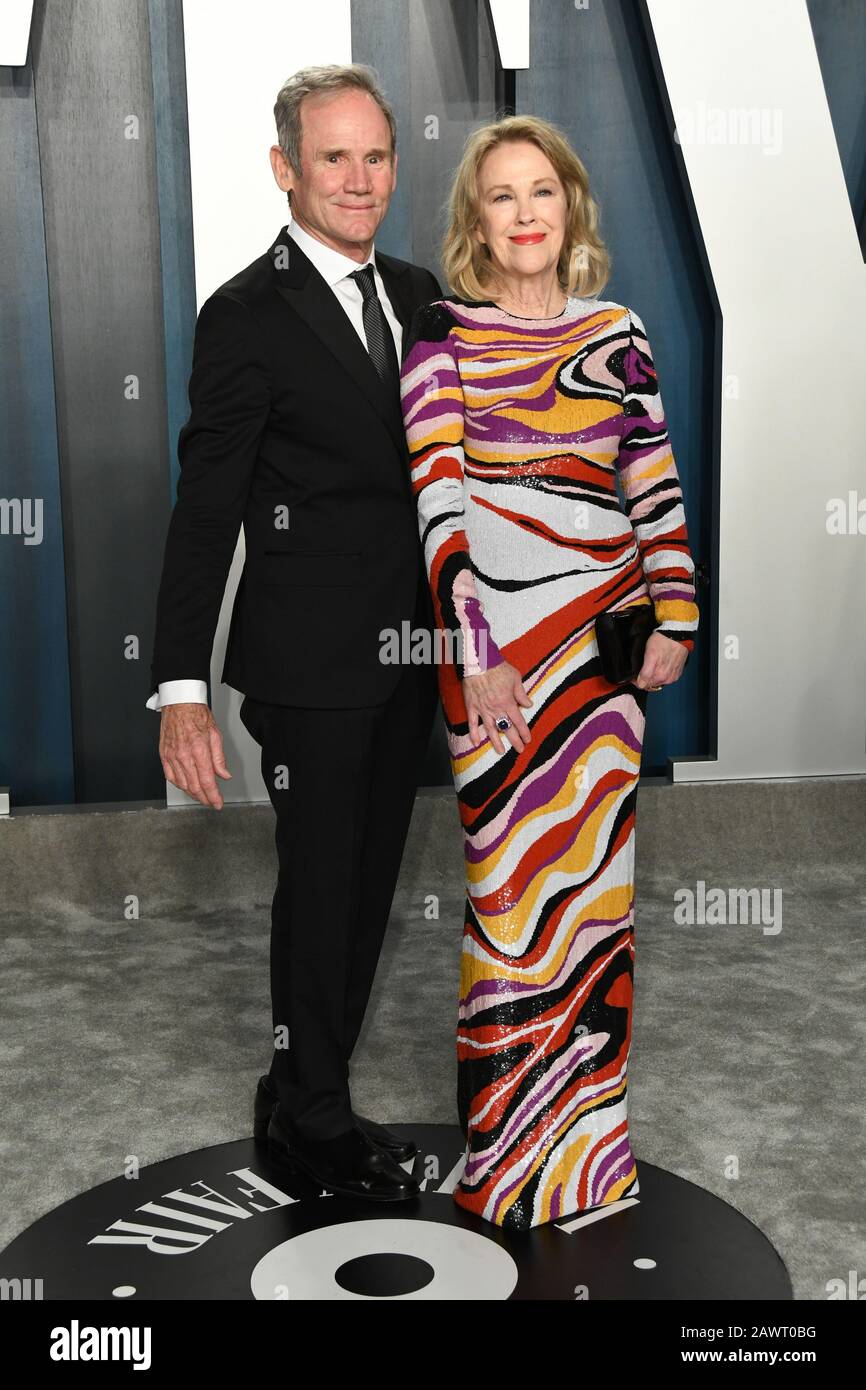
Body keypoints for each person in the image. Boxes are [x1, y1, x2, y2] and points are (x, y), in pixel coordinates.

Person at [400, 114, 699, 1230]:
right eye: (500, 197)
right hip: (494, 670)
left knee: (594, 914)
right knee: (510, 913)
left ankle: (584, 1159)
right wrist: (472, 651)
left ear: (567, 205)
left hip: (601, 672)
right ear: (475, 222)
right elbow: (436, 505)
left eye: (541, 192)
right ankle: (505, 1157)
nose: (524, 214)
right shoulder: (442, 335)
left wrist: (674, 611)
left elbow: (651, 485)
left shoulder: (617, 333)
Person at [148, 65, 440, 1203]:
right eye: (334, 158)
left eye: (375, 156)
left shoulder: (420, 295)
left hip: (415, 661)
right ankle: (311, 1118)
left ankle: (299, 1091)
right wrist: (178, 687)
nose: (359, 179)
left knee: (367, 887)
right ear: (285, 169)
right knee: (319, 891)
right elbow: (204, 509)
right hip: (310, 670)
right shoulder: (245, 315)